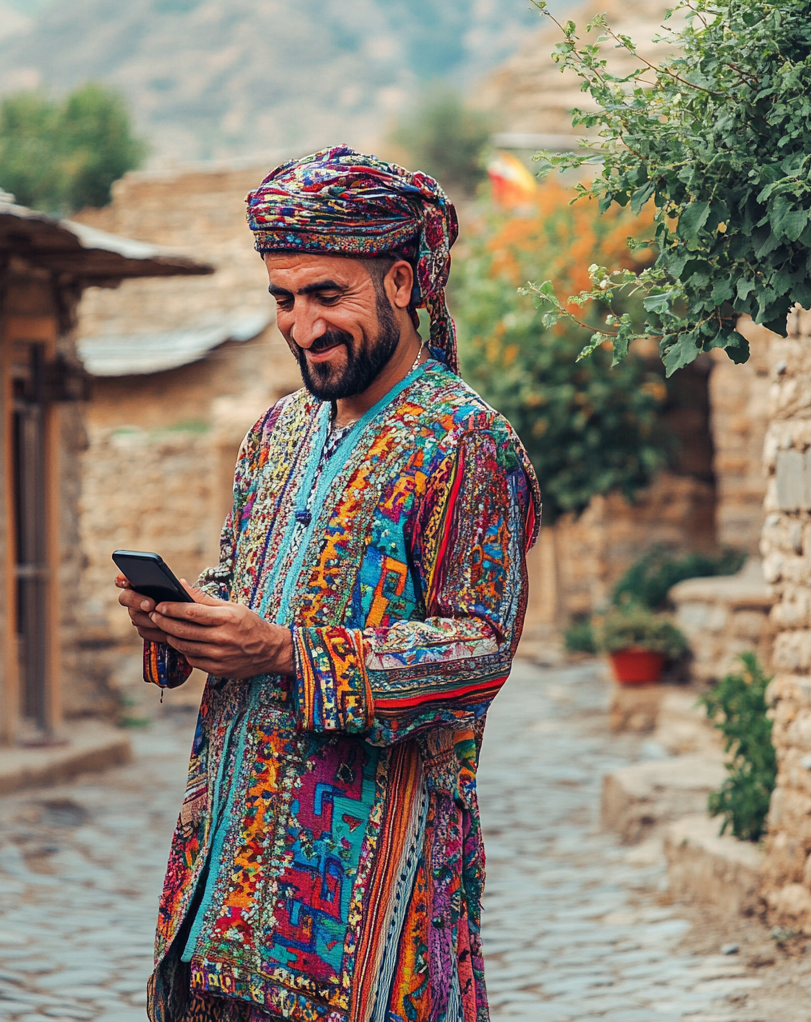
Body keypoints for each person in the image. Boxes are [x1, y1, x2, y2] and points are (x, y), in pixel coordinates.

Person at [117, 146, 540, 1022]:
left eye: (325, 295)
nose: (301, 326)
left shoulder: (466, 444)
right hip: (225, 892)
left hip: (371, 907)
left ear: (399, 282)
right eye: (283, 298)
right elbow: (240, 578)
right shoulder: (274, 434)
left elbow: (479, 651)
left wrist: (285, 653)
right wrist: (182, 621)